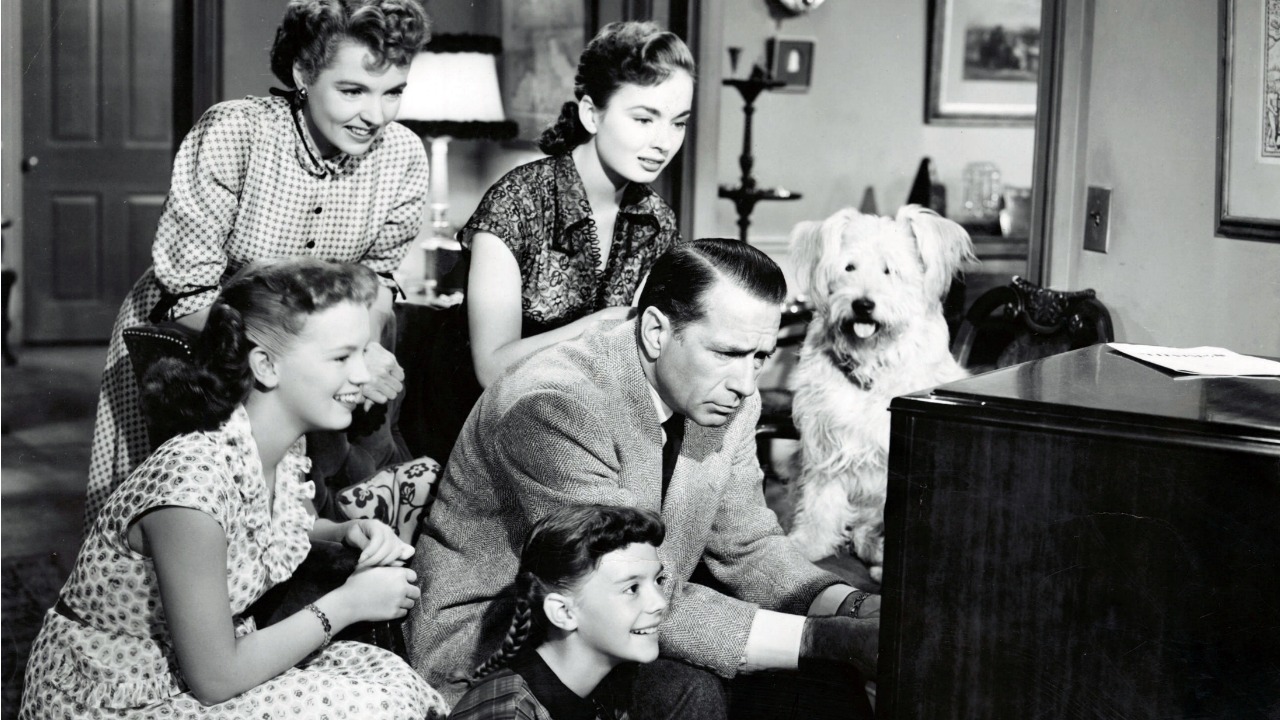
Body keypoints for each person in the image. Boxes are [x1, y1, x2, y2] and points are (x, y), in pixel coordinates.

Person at [406, 240, 881, 719]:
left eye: (760, 356)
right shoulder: (552, 405)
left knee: (825, 682)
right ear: (656, 331)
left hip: (628, 620)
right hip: (502, 652)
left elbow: (748, 544)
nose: (746, 383)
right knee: (691, 691)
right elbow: (616, 590)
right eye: (727, 352)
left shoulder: (723, 396)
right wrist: (820, 638)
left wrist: (854, 607)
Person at [20, 259, 450, 718]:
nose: (363, 375)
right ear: (265, 365)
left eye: (364, 353)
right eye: (342, 357)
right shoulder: (190, 488)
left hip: (203, 666)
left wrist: (344, 531)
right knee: (375, 706)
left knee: (392, 682)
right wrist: (348, 604)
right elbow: (215, 680)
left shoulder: (277, 446)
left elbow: (268, 529)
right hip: (118, 694)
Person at [84, 0, 432, 531]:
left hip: (314, 356)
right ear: (303, 73)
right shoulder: (235, 132)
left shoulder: (403, 155)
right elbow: (191, 293)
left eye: (393, 92)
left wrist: (363, 348)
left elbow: (377, 281)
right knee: (182, 517)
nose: (376, 115)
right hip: (196, 336)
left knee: (313, 516)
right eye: (353, 90)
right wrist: (320, 356)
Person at [418, 20, 694, 463]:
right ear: (591, 113)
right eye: (643, 119)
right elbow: (491, 368)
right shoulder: (516, 203)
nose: (663, 142)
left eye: (678, 123)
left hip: (584, 428)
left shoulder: (656, 221)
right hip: (479, 429)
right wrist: (605, 324)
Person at [450, 505, 668, 720]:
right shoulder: (506, 712)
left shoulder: (608, 690)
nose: (660, 602)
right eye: (632, 589)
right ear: (563, 612)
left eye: (659, 580)